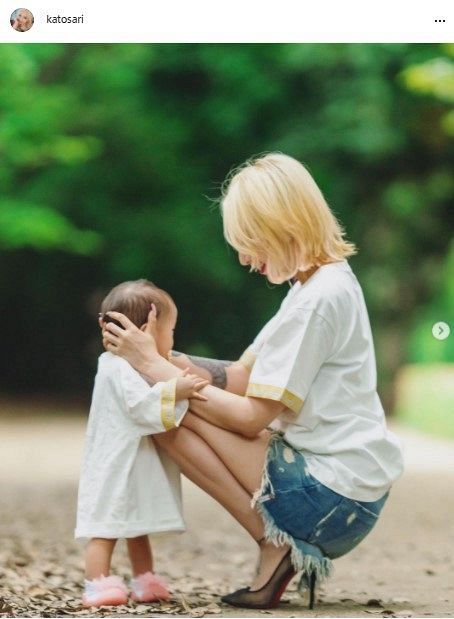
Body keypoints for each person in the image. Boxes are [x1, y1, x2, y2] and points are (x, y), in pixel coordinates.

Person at [102, 153, 404, 610]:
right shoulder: (315, 284)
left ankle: (274, 543)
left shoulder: (315, 303)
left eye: (249, 242)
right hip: (346, 494)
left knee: (165, 416)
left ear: (281, 225)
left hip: (331, 500)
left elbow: (248, 419)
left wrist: (155, 370)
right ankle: (275, 544)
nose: (244, 259)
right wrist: (163, 356)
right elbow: (242, 375)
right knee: (165, 404)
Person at [75, 280, 208, 607]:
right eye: (171, 329)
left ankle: (144, 578)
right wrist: (175, 390)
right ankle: (97, 582)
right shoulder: (117, 367)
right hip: (116, 462)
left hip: (134, 460)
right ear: (148, 327)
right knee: (106, 525)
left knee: (137, 527)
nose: (173, 337)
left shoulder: (134, 366)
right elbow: (139, 406)